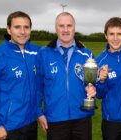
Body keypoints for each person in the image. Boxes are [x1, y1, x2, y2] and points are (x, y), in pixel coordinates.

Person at [0, 11, 40, 140]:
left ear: (30, 29)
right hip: (7, 128)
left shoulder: (37, 52)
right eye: (17, 27)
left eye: (26, 27)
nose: (22, 31)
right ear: (9, 29)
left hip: (31, 124)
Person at [37, 12, 96, 140]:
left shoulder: (86, 53)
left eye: (69, 25)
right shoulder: (43, 54)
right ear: (56, 28)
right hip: (55, 119)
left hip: (82, 118)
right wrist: (38, 113)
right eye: (61, 26)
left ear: (74, 28)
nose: (65, 30)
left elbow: (92, 81)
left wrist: (93, 88)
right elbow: (37, 86)